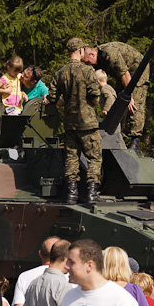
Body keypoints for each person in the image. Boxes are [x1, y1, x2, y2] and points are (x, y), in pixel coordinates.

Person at [51, 39, 101, 205]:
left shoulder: (60, 73)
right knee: (94, 157)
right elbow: (95, 98)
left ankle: (72, 193)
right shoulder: (87, 71)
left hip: (70, 123)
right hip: (87, 122)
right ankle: (92, 193)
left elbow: (52, 98)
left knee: (71, 158)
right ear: (81, 50)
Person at [80, 41, 148, 149]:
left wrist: (130, 97)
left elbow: (125, 74)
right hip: (123, 74)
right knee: (120, 103)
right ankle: (121, 137)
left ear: (92, 55)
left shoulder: (110, 54)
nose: (88, 65)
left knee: (135, 103)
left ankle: (135, 140)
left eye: (88, 62)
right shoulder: (99, 58)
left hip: (137, 69)